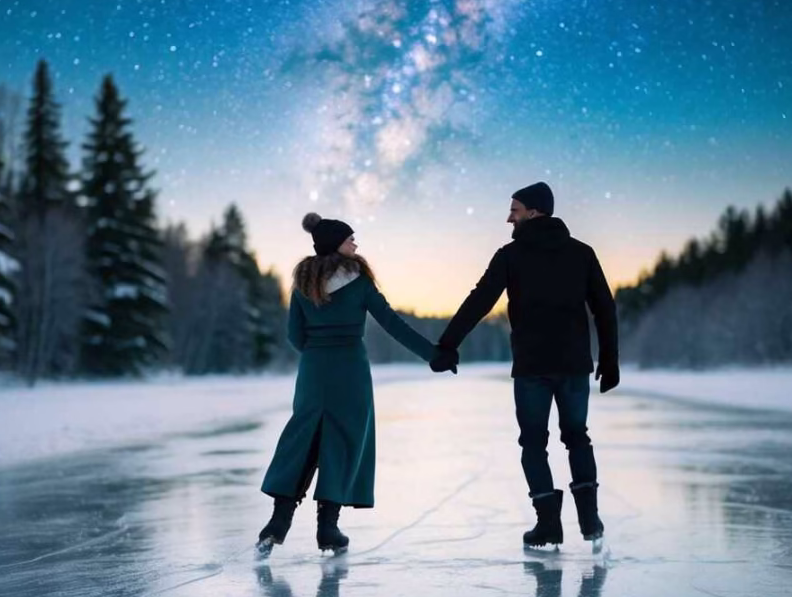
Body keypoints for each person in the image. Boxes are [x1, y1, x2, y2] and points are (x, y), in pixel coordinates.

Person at [430, 182, 619, 547]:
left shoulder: (511, 255)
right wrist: (609, 359)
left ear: (534, 212)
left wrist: (448, 345)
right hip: (573, 365)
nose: (508, 217)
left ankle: (548, 524)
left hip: (533, 367)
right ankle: (590, 519)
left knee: (533, 442)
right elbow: (604, 308)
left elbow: (479, 301)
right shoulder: (581, 253)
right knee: (577, 436)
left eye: (514, 210)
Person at [257, 212, 442, 556]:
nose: (355, 244)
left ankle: (277, 522)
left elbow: (294, 335)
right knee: (342, 441)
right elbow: (392, 324)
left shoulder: (303, 284)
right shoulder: (359, 282)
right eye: (350, 239)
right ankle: (328, 528)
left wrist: (317, 352)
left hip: (313, 370)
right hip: (351, 371)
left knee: (303, 439)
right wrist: (432, 354)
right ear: (335, 245)